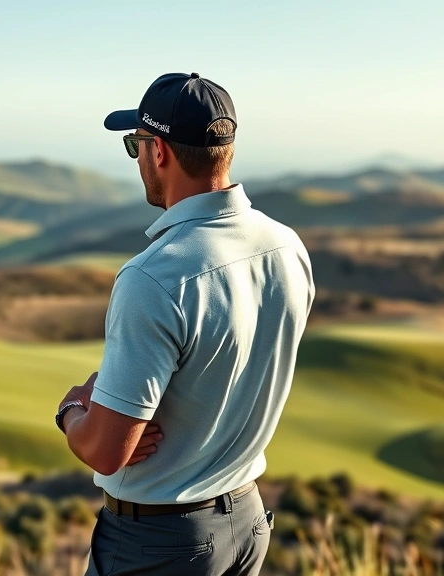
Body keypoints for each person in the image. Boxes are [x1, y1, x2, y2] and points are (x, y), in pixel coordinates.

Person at [55, 72, 315, 576]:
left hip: (159, 543)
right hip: (246, 521)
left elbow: (107, 451)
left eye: (136, 144)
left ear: (160, 153)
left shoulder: (154, 275)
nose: (138, 158)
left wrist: (72, 409)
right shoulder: (287, 247)